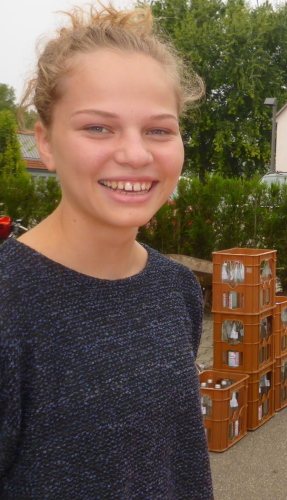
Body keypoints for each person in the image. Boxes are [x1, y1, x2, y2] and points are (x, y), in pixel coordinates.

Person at [0, 4, 212, 498]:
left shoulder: (176, 289)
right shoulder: (8, 306)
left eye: (159, 129)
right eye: (98, 127)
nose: (136, 154)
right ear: (45, 143)